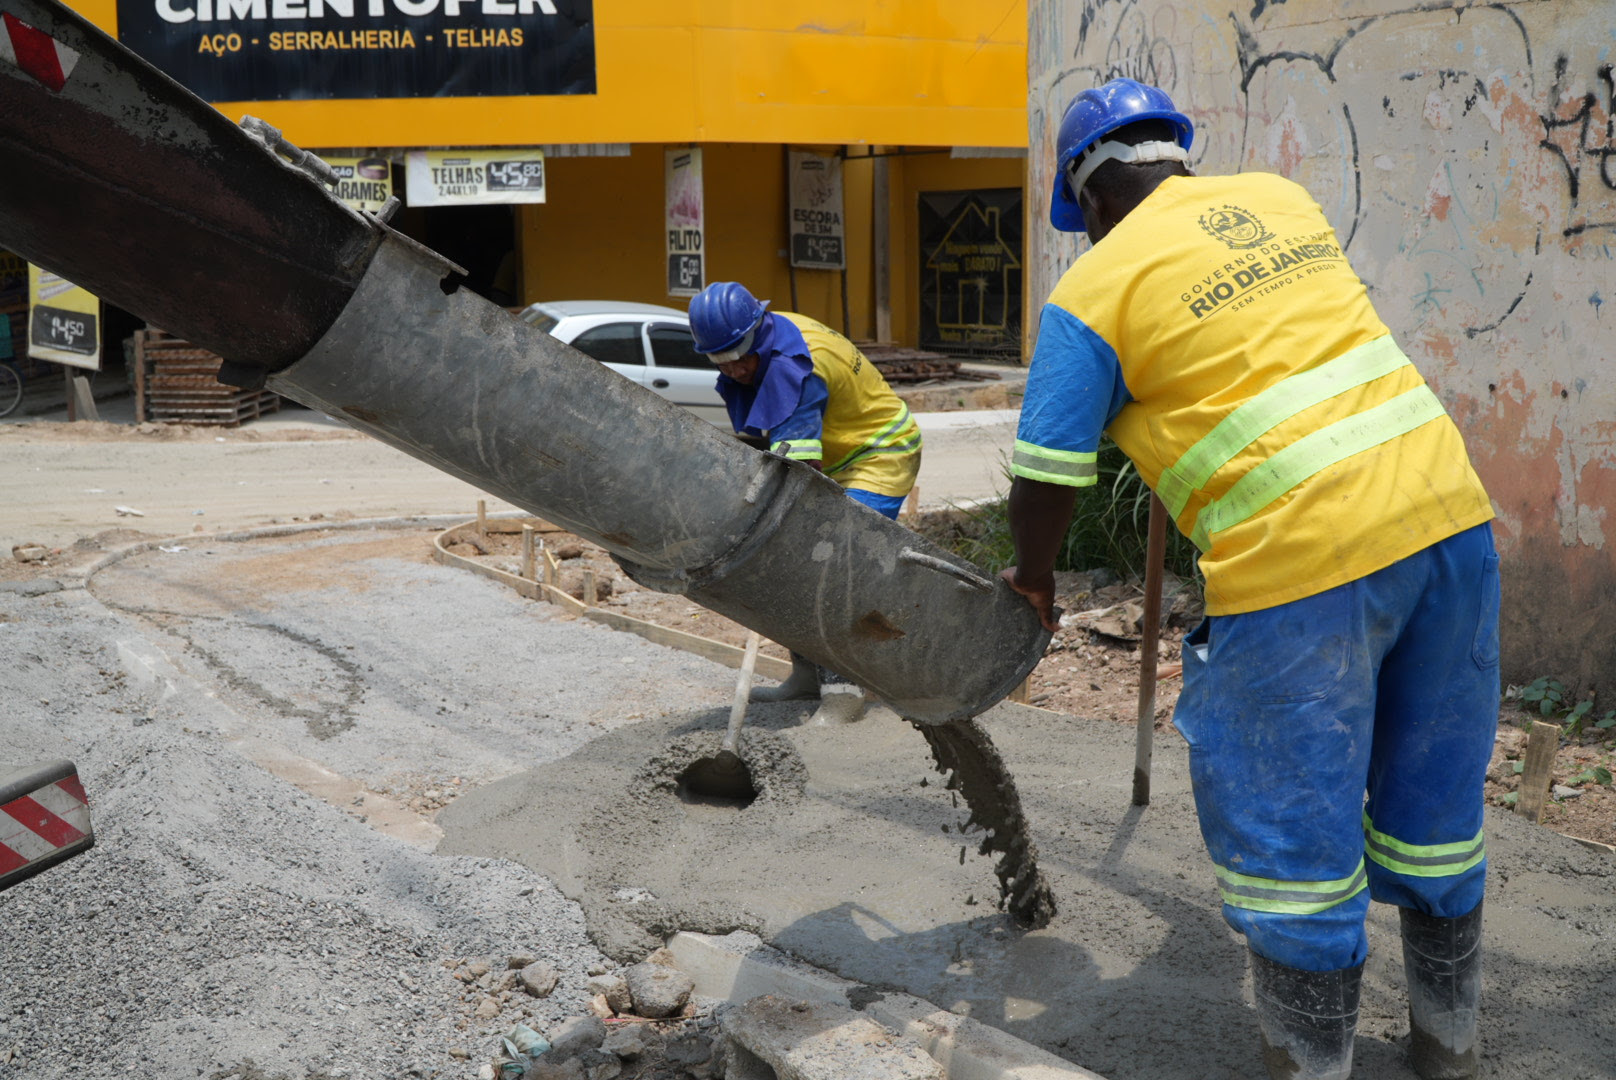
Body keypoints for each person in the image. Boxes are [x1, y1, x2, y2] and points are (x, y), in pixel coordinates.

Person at [1001, 78, 1497, 1080]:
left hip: (1303, 563)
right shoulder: (1280, 201)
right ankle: (1448, 1047)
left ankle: (1311, 1062)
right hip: (1450, 522)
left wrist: (1034, 580)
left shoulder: (1091, 293)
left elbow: (1046, 470)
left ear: (1088, 199)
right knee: (1435, 808)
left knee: (1293, 841)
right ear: (1174, 157)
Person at [688, 280, 922, 725]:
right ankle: (807, 678)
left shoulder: (794, 368)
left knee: (836, 569)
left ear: (757, 332)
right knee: (796, 562)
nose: (732, 369)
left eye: (737, 356)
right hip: (837, 452)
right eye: (719, 360)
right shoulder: (770, 335)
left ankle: (844, 697)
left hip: (880, 453)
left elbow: (800, 476)